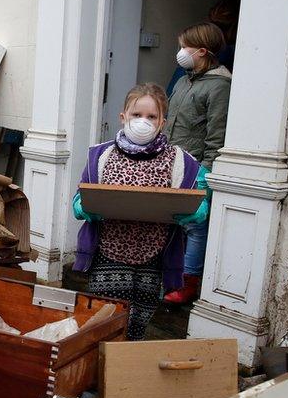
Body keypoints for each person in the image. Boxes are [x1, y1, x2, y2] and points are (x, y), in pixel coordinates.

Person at [72, 84, 208, 340]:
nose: (143, 122)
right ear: (123, 117)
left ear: (162, 122)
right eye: (137, 115)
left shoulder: (180, 160)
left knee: (139, 322)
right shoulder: (101, 155)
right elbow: (80, 198)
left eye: (151, 116)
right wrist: (86, 207)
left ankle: (127, 370)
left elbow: (200, 196)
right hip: (109, 252)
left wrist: (195, 211)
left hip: (153, 257)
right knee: (105, 320)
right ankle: (99, 370)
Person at [162, 22, 231, 305]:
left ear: (202, 51)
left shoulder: (219, 87)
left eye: (184, 47)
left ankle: (188, 282)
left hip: (195, 168)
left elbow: (218, 134)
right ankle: (169, 276)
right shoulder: (183, 80)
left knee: (195, 226)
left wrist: (206, 172)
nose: (180, 52)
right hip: (170, 163)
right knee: (170, 222)